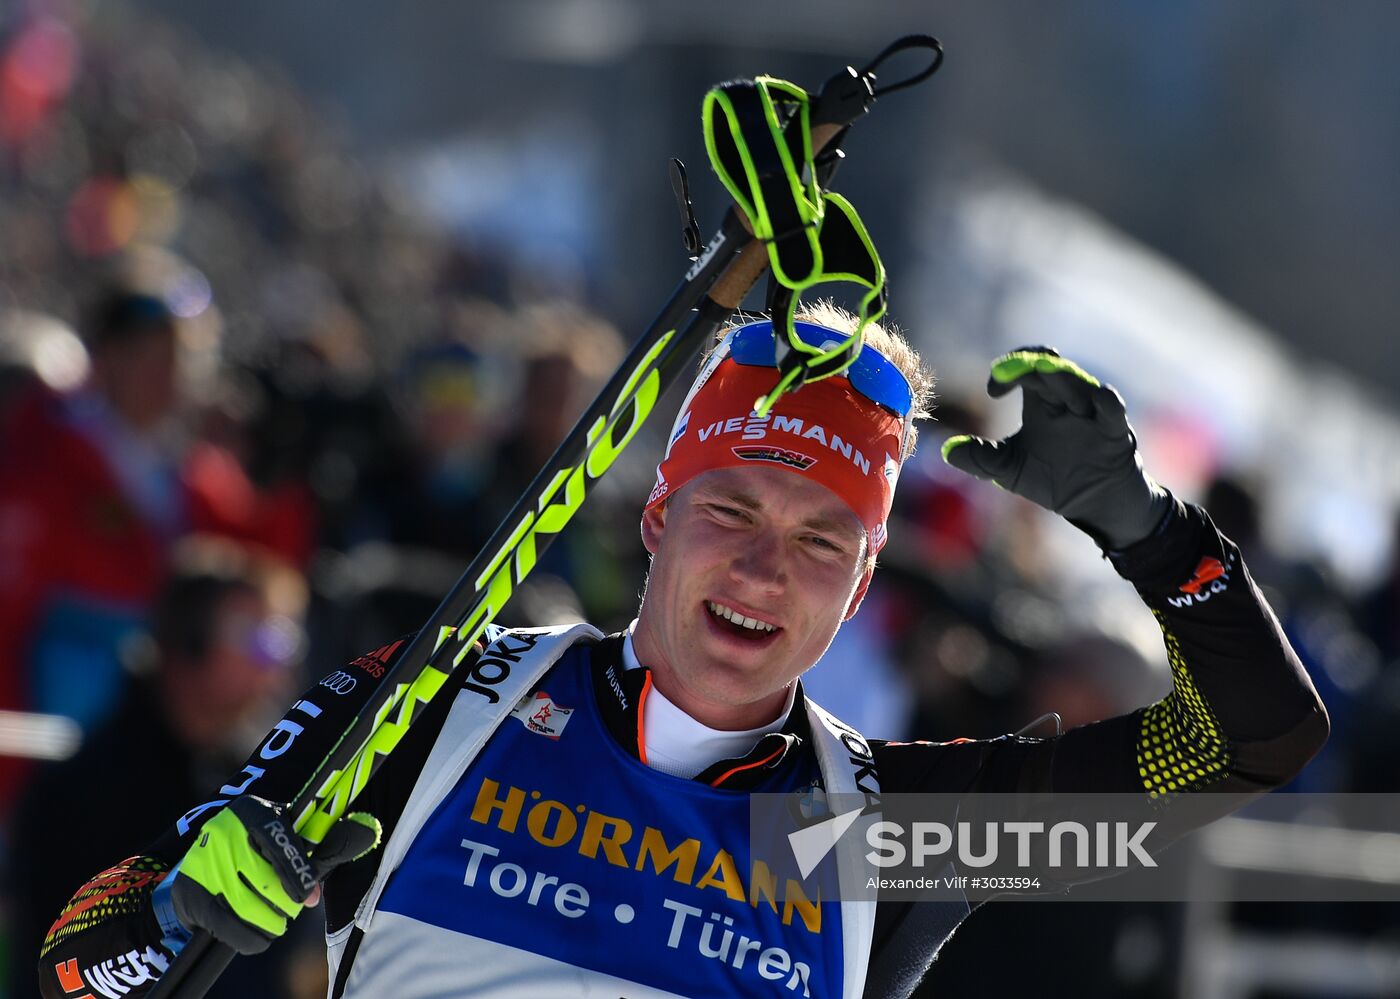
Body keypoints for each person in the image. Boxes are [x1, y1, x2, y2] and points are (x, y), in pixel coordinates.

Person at [37, 305, 1328, 999]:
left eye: (825, 540)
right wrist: (176, 907)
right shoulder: (445, 697)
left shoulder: (878, 832)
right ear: (657, 515)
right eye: (732, 511)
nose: (767, 568)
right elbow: (77, 964)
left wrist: (1146, 531)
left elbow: (1256, 742)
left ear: (862, 583)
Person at [10, 537, 308, 999]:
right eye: (259, 640)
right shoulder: (79, 796)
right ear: (188, 643)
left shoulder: (258, 774)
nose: (275, 664)